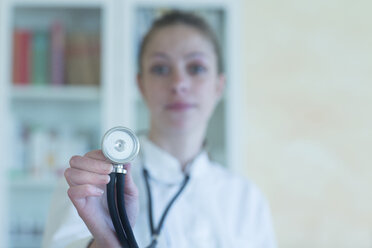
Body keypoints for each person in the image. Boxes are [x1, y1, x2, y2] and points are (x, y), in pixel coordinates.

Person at [42, 10, 277, 248]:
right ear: (141, 85)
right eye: (161, 69)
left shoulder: (247, 200)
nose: (179, 84)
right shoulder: (94, 185)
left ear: (219, 86)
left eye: (196, 68)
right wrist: (106, 240)